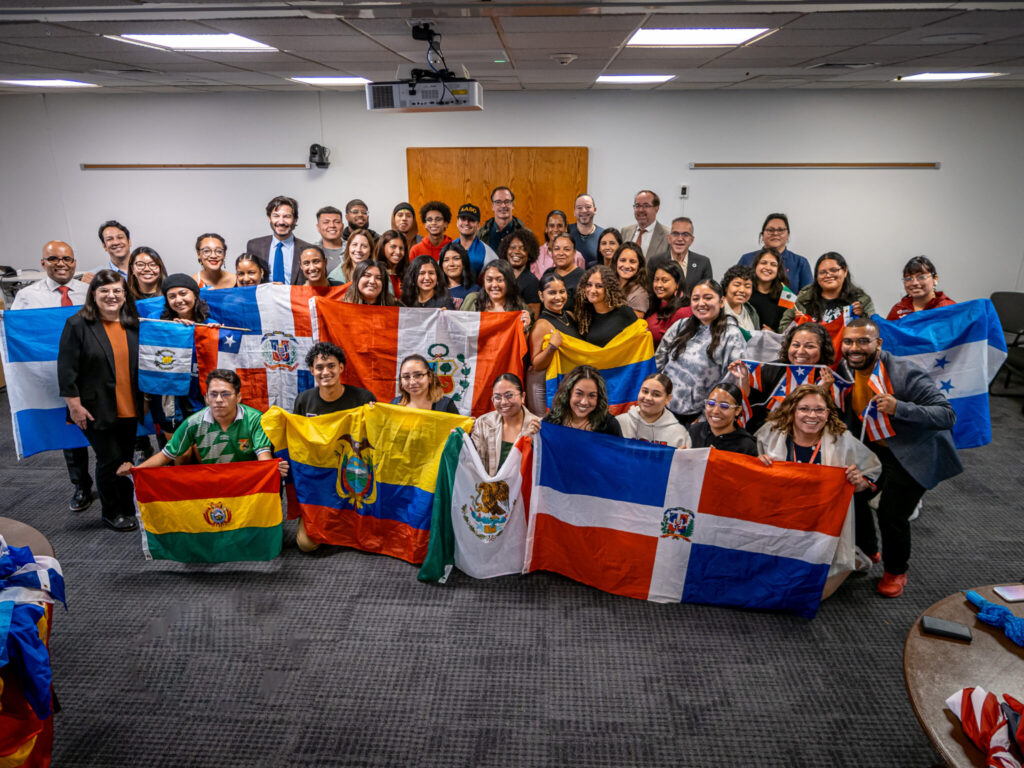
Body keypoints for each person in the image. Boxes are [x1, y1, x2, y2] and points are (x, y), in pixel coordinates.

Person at [837, 318, 962, 598]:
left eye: (863, 341)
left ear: (878, 344)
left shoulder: (905, 372)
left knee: (891, 514)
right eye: (849, 341)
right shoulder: (847, 367)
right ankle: (870, 550)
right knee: (850, 490)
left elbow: (947, 415)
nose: (854, 347)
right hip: (878, 449)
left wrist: (900, 408)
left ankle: (896, 571)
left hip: (915, 453)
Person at [756, 384, 882, 592]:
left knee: (809, 592)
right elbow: (752, 471)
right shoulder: (771, 434)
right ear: (792, 410)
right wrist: (757, 464)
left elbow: (873, 470)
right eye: (804, 409)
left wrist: (859, 482)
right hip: (783, 515)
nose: (811, 415)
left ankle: (854, 559)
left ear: (828, 413)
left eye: (819, 410)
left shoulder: (841, 440)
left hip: (823, 522)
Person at [58, 270, 145, 531]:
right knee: (110, 460)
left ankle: (127, 507)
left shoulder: (133, 322)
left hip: (128, 403)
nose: (111, 295)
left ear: (124, 294)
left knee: (125, 458)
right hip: (94, 407)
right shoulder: (77, 324)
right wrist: (74, 406)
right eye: (104, 290)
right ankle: (111, 512)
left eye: (117, 290)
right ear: (93, 294)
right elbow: (66, 368)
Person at [11, 240, 94, 511]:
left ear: (74, 262)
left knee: (104, 430)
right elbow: (17, 334)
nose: (61, 264)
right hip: (55, 375)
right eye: (54, 259)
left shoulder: (88, 291)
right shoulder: (28, 297)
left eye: (67, 259)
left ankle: (112, 486)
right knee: (69, 432)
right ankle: (81, 485)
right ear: (43, 263)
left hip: (92, 373)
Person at [117, 368, 286, 472]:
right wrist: (135, 470)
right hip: (212, 481)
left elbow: (263, 455)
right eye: (213, 394)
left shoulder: (255, 419)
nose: (219, 399)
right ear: (206, 398)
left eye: (225, 394)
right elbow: (166, 455)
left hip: (246, 482)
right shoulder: (194, 423)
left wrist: (270, 469)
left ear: (238, 397)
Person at [656, 279, 746, 424]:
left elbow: (732, 383)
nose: (701, 303)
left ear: (721, 302)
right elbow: (658, 363)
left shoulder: (732, 335)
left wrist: (706, 416)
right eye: (695, 299)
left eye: (708, 298)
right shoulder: (680, 326)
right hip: (665, 412)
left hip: (701, 419)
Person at [729, 321, 836, 435]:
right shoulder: (771, 369)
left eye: (809, 346)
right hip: (764, 437)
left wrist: (823, 391)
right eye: (795, 345)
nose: (800, 351)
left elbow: (830, 422)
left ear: (822, 350)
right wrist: (744, 380)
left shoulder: (828, 379)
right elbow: (749, 404)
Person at [158, 273, 210, 432]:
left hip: (204, 400)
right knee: (180, 454)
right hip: (176, 401)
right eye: (171, 296)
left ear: (194, 294)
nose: (178, 300)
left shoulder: (211, 326)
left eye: (183, 293)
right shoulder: (162, 328)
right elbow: (158, 362)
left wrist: (215, 335)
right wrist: (173, 331)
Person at [526, 273, 580, 414]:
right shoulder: (541, 325)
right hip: (546, 385)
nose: (558, 297)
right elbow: (536, 364)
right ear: (541, 295)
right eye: (552, 293)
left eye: (561, 292)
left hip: (568, 382)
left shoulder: (570, 315)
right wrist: (552, 347)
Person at [779, 252, 875, 330]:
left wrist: (862, 316)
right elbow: (783, 329)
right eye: (822, 272)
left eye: (833, 270)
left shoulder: (861, 300)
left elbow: (873, 332)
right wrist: (796, 323)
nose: (828, 275)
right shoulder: (803, 299)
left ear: (845, 271)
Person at [470, 373, 541, 474]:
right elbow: (472, 464)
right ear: (492, 399)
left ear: (523, 396)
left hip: (524, 489)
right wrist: (462, 440)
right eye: (497, 397)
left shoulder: (538, 427)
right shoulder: (482, 423)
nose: (503, 402)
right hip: (490, 488)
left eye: (509, 395)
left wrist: (531, 439)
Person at [293, 342, 376, 416]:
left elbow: (375, 430)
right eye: (319, 367)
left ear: (341, 367)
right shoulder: (303, 400)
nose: (325, 372)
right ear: (312, 371)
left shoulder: (363, 399)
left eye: (331, 366)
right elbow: (297, 432)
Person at [246, 195, 314, 285]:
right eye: (276, 216)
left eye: (287, 216)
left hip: (295, 298)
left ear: (295, 220)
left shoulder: (308, 249)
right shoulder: (254, 246)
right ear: (269, 218)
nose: (281, 222)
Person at [738, 213, 812, 292]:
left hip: (789, 304)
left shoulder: (800, 262)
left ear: (788, 235)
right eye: (770, 230)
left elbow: (809, 297)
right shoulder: (747, 259)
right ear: (762, 236)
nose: (775, 233)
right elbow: (734, 288)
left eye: (780, 230)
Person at [542, 365, 622, 436]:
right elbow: (542, 449)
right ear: (568, 393)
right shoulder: (552, 421)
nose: (584, 402)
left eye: (592, 395)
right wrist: (535, 436)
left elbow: (620, 452)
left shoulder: (609, 425)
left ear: (598, 398)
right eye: (579, 394)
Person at [647, 217, 713, 301]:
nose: (680, 239)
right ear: (669, 238)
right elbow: (650, 293)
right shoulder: (655, 261)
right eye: (675, 234)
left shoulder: (703, 263)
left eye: (685, 234)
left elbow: (706, 294)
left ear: (691, 240)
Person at [616, 373, 691, 448]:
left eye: (656, 394)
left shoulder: (679, 434)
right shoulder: (619, 423)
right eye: (645, 391)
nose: (648, 398)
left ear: (668, 399)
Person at [686, 382, 757, 455]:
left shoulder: (746, 446)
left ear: (737, 410)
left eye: (724, 406)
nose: (715, 411)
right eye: (711, 403)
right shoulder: (695, 431)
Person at [575, 265, 637, 346]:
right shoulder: (584, 313)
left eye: (599, 286)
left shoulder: (625, 312)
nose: (592, 290)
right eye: (589, 285)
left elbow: (638, 342)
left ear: (609, 288)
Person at [461, 261, 531, 331]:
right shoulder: (472, 300)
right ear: (484, 282)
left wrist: (525, 328)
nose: (494, 285)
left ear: (509, 282)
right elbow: (459, 329)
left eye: (500, 280)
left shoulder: (521, 308)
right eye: (489, 280)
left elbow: (523, 340)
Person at [887, 256, 956, 320]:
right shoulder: (898, 310)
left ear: (935, 278)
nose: (914, 283)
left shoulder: (949, 308)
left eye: (921, 277)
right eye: (908, 279)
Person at [391, 354, 460, 413]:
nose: (412, 382)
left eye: (418, 375)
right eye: (406, 376)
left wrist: (467, 428)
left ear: (429, 377)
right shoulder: (394, 404)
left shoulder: (446, 406)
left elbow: (458, 427)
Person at [645, 262, 691, 348]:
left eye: (664, 280)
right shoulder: (655, 303)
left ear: (677, 284)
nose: (658, 285)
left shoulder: (683, 312)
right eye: (656, 279)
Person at [497, 229, 541, 317]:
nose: (516, 251)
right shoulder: (498, 274)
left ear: (529, 254)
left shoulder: (532, 282)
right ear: (506, 251)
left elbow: (533, 317)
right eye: (512, 248)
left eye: (523, 249)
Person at [746, 247, 791, 332]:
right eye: (763, 263)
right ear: (756, 266)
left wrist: (774, 333)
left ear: (778, 270)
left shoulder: (787, 296)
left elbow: (789, 327)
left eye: (773, 264)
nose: (767, 267)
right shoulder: (745, 291)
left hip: (775, 343)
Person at [532, 210, 585, 279]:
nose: (555, 229)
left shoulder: (577, 256)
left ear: (565, 228)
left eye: (559, 226)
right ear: (546, 228)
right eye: (551, 226)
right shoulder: (536, 254)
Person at [621, 190, 669, 265]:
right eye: (638, 205)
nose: (640, 210)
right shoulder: (625, 231)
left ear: (656, 209)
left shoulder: (668, 235)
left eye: (646, 206)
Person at [453, 203, 498, 276]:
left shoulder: (488, 254)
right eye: (463, 218)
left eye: (471, 220)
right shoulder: (448, 249)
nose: (466, 223)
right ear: (457, 222)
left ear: (478, 225)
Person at [480, 186, 529, 253]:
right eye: (498, 202)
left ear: (512, 205)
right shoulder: (480, 235)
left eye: (507, 201)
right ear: (492, 206)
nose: (503, 205)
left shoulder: (527, 235)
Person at [541, 233, 585, 306]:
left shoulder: (583, 277)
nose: (561, 253)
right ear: (552, 252)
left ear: (574, 253)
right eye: (557, 249)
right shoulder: (548, 273)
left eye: (566, 249)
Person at [611, 242, 649, 317]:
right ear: (616, 262)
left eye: (632, 262)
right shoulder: (608, 283)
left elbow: (633, 325)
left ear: (639, 265)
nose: (627, 265)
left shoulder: (640, 294)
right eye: (623, 260)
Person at [720, 264, 760, 333]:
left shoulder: (751, 311)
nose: (742, 290)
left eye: (747, 286)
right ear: (726, 287)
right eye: (737, 285)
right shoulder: (717, 309)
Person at [569, 193, 605, 268]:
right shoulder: (566, 232)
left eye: (588, 207)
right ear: (574, 212)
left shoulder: (603, 235)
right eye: (579, 208)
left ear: (595, 210)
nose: (584, 211)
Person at [440, 242, 479, 309]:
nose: (451, 264)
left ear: (464, 261)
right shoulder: (435, 289)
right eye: (446, 260)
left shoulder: (474, 290)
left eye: (456, 258)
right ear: (442, 265)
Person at [374, 228, 409, 296]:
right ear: (382, 247)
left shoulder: (407, 274)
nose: (398, 252)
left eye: (401, 248)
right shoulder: (374, 272)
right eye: (393, 247)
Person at [314, 205, 345, 275]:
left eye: (337, 222)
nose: (332, 225)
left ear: (342, 226)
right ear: (318, 227)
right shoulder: (312, 251)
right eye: (326, 222)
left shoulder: (354, 249)